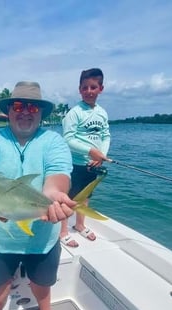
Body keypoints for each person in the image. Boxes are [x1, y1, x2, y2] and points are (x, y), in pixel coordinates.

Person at [0, 81, 77, 310]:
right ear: (9, 110)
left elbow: (58, 176)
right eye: (18, 105)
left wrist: (54, 197)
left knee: (43, 284)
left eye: (32, 106)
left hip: (41, 237)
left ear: (40, 112)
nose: (25, 111)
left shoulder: (53, 141)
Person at [59, 68, 111, 247]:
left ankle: (80, 224)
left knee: (86, 197)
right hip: (74, 163)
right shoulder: (74, 113)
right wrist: (91, 151)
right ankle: (63, 231)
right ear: (79, 89)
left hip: (92, 164)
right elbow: (68, 138)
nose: (89, 91)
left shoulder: (102, 113)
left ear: (101, 89)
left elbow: (105, 135)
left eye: (93, 87)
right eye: (85, 87)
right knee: (68, 198)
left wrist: (101, 154)